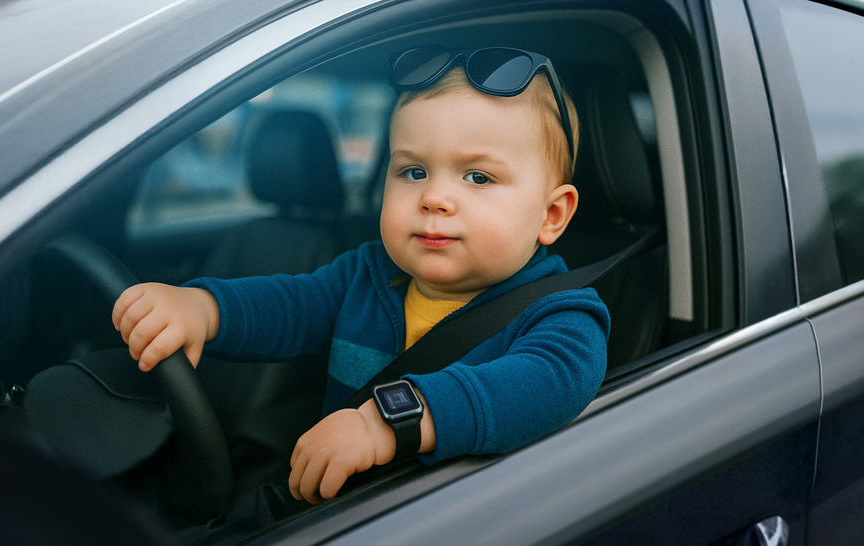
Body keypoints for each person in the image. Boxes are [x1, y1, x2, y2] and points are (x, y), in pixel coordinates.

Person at [112, 47, 610, 506]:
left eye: (478, 177)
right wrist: (204, 308)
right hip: (348, 509)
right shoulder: (369, 274)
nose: (434, 198)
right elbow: (289, 305)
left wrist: (386, 422)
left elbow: (551, 380)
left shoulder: (561, 314)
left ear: (552, 215)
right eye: (412, 171)